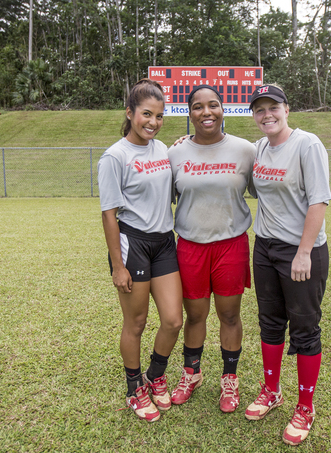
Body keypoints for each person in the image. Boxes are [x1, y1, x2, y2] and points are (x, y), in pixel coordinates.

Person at [244, 84, 331, 446]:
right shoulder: (261, 148)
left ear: (287, 109)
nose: (267, 114)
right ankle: (271, 390)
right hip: (264, 247)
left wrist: (303, 252)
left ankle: (306, 407)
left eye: (273, 107)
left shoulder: (307, 144)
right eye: (260, 109)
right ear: (254, 115)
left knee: (305, 328)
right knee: (270, 322)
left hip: (301, 250)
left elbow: (319, 201)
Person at [97, 79, 183, 422]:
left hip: (164, 242)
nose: (153, 122)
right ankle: (135, 388)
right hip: (133, 245)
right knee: (136, 322)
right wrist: (118, 266)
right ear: (130, 113)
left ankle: (155, 375)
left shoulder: (162, 149)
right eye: (146, 114)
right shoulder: (114, 156)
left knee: (174, 320)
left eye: (159, 116)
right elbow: (108, 214)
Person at [167, 85, 256, 413]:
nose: (207, 112)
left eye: (214, 105)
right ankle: (192, 373)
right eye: (198, 107)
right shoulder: (174, 154)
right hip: (190, 245)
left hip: (231, 244)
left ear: (224, 109)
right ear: (188, 113)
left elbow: (267, 189)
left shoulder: (245, 150)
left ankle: (229, 380)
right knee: (195, 315)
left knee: (230, 314)